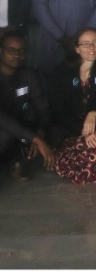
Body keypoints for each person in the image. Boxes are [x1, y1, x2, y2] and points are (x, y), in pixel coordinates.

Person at [50, 28, 96, 184]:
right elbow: (60, 114)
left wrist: (93, 113)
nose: (91, 48)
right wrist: (85, 132)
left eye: (95, 43)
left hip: (93, 125)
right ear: (77, 48)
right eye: (86, 44)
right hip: (70, 131)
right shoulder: (62, 73)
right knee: (93, 159)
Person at [0, 32, 55, 180]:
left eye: (22, 51)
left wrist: (40, 133)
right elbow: (3, 120)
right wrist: (36, 140)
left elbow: (43, 110)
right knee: (8, 132)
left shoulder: (29, 75)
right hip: (4, 129)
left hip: (18, 127)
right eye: (11, 50)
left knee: (56, 132)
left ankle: (16, 163)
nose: (17, 55)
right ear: (1, 51)